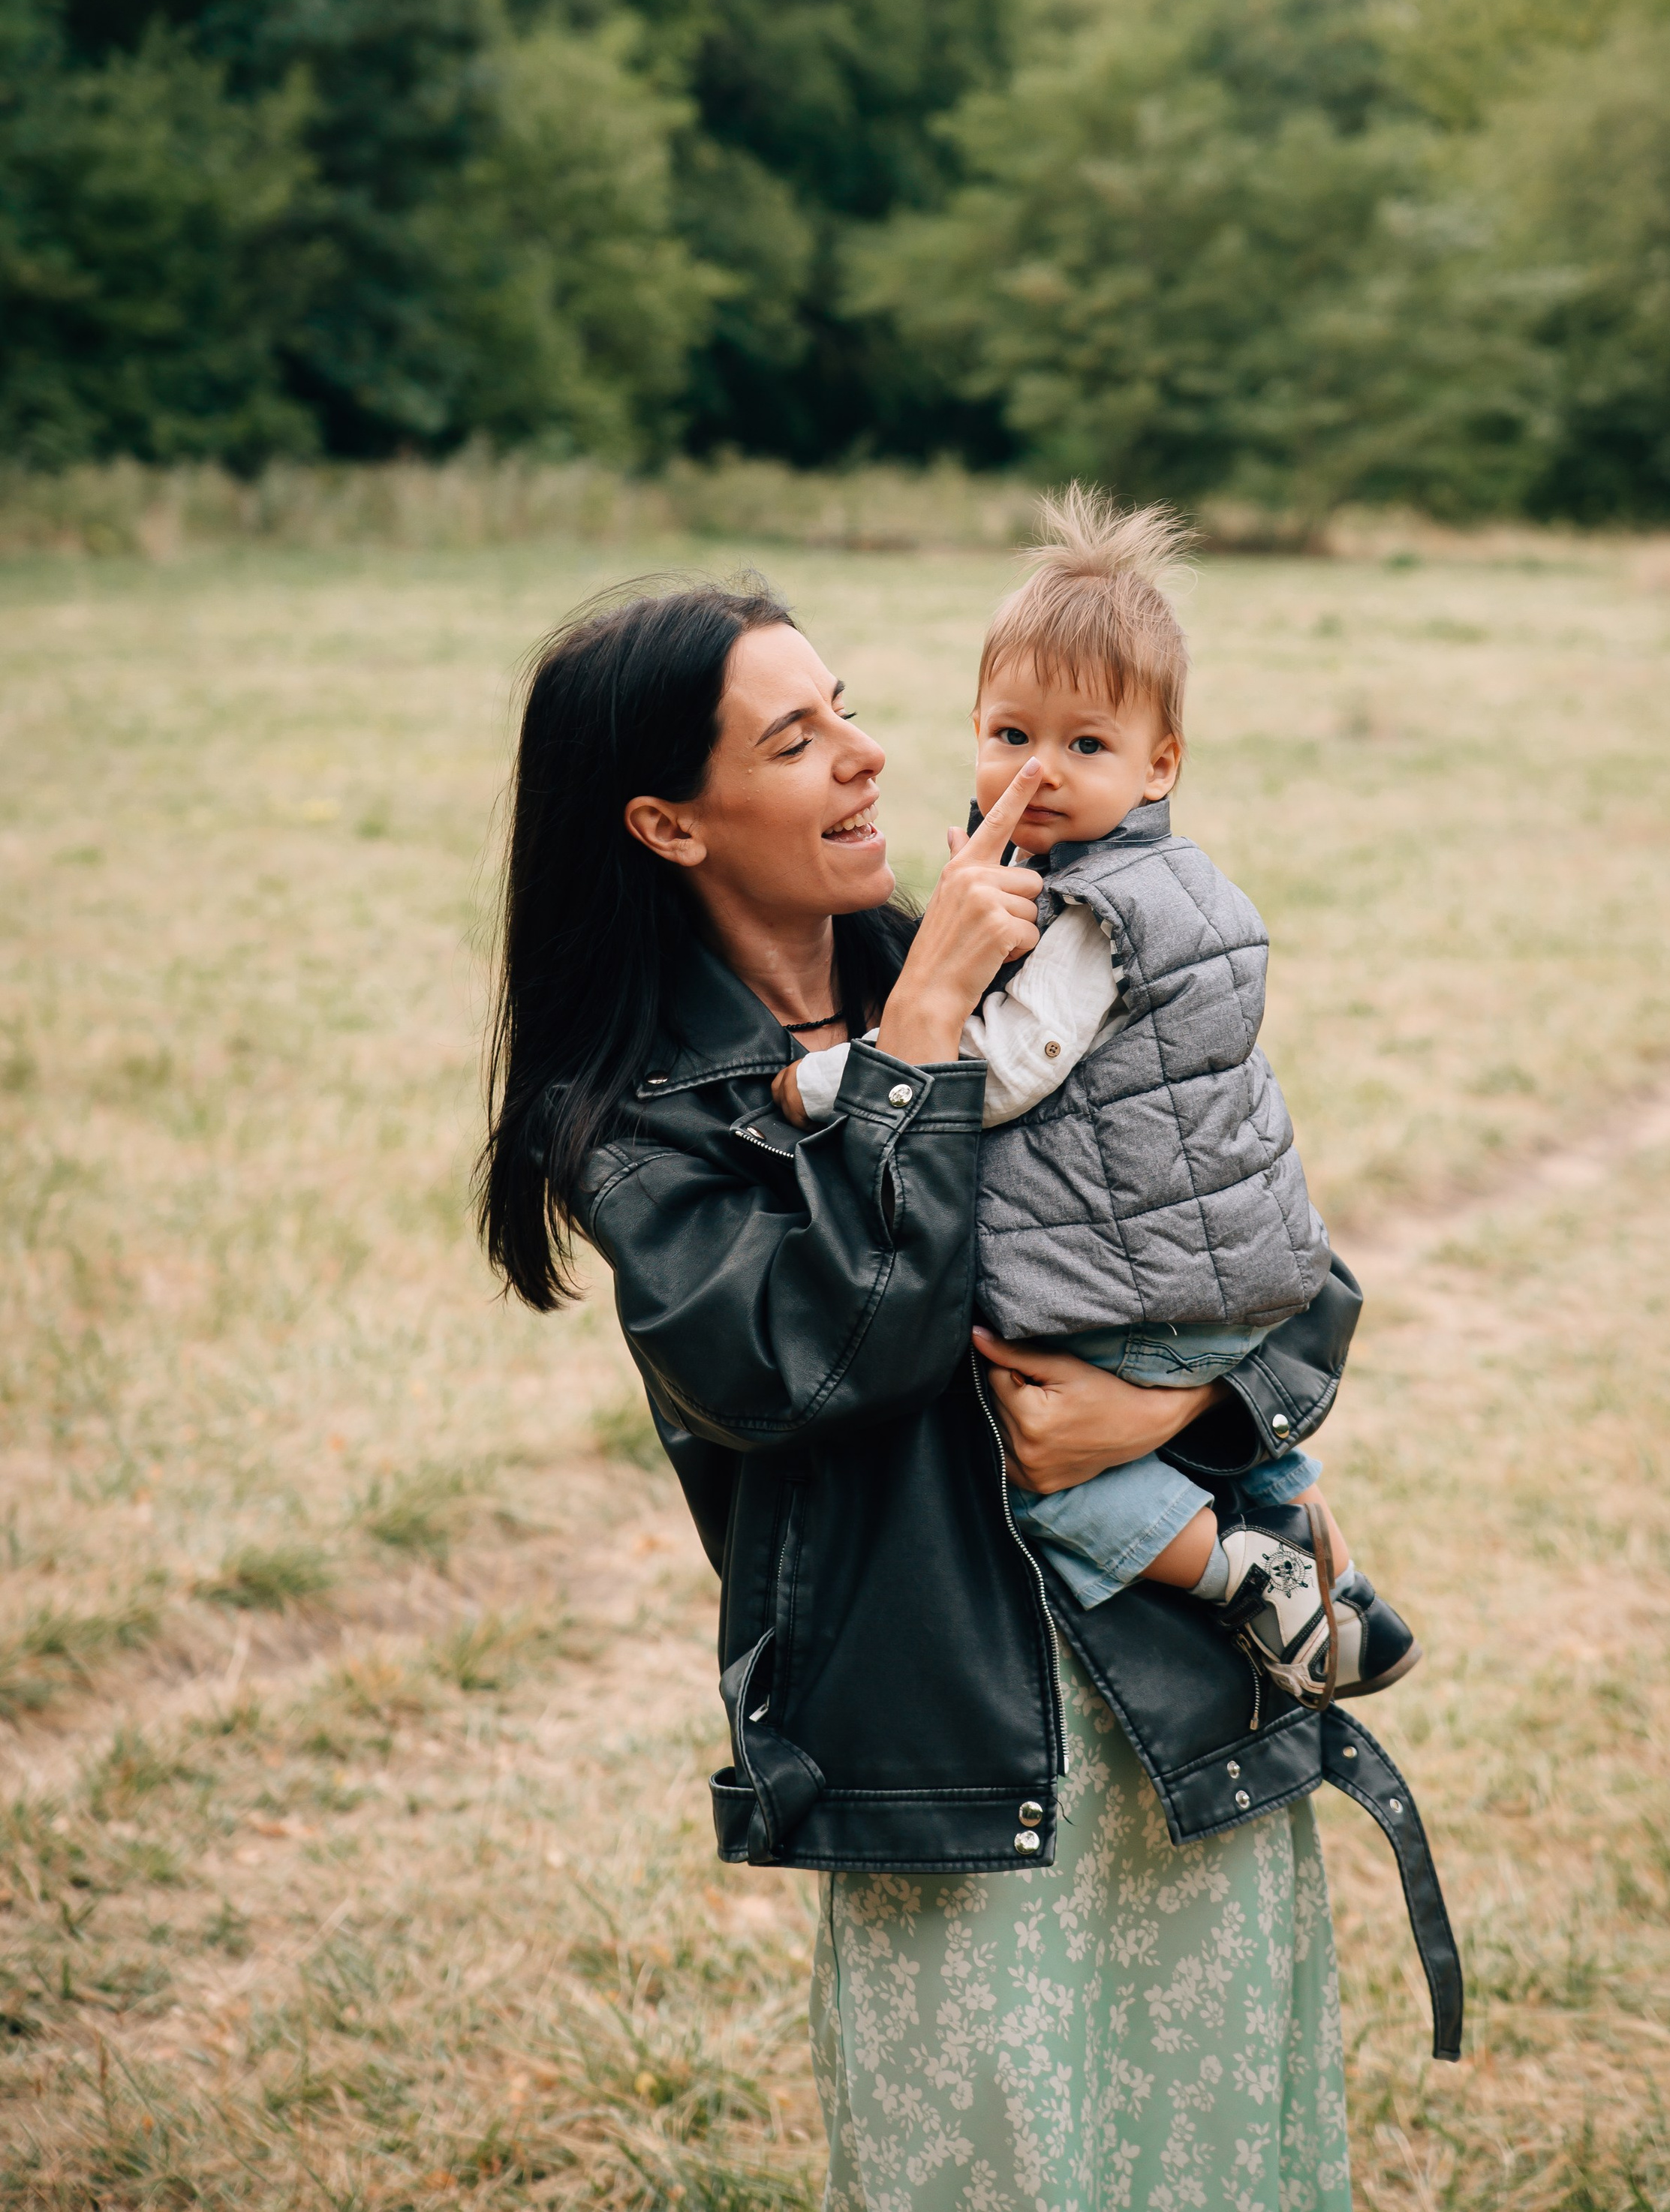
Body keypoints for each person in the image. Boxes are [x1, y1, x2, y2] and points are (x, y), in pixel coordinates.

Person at [478, 573, 1457, 2212]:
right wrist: (919, 1032)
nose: (868, 757)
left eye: (850, 705)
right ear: (666, 825)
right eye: (796, 740)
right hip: (948, 1742)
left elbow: (1262, 1254)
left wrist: (1184, 1418)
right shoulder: (655, 1124)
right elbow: (817, 1361)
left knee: (1221, 2159)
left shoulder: (1046, 946)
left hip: (1176, 1684)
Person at [775, 489, 1418, 1708]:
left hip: (1144, 1294)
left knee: (1040, 1480)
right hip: (1237, 1276)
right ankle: (1323, 1567)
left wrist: (820, 1082)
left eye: (1086, 746)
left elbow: (1007, 1073)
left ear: (1159, 762)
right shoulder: (1175, 881)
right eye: (1012, 735)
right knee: (1240, 1458)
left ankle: (1243, 1579)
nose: (1041, 771)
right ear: (974, 729)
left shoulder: (1093, 909)